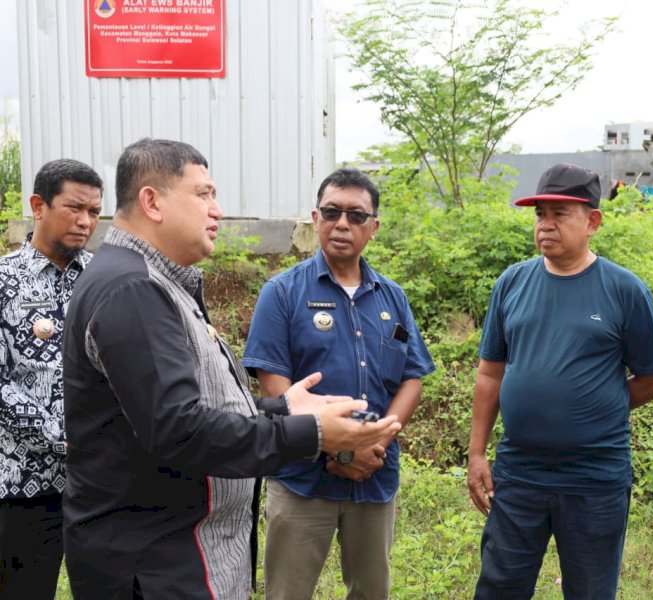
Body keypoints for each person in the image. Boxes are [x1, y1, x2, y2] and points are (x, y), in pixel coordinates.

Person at [61, 140, 400, 600]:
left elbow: (188, 409)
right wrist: (311, 433)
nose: (217, 210)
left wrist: (280, 408)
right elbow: (180, 430)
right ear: (152, 201)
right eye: (203, 194)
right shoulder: (133, 289)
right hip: (153, 564)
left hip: (174, 553)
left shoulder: (156, 281)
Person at [467, 162, 653, 599]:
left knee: (591, 591)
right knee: (499, 585)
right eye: (541, 214)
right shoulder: (512, 283)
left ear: (592, 221)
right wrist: (477, 452)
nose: (546, 225)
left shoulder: (624, 290)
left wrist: (601, 404)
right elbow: (490, 373)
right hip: (518, 473)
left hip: (594, 476)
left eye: (560, 213)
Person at [242, 167, 435, 599]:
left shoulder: (392, 298)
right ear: (316, 218)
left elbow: (412, 378)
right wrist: (343, 447)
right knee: (287, 593)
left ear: (374, 227)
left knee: (371, 592)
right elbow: (277, 390)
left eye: (356, 215)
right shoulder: (283, 293)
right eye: (331, 212)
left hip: (375, 477)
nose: (342, 224)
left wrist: (375, 444)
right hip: (302, 479)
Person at [0, 158, 102, 599]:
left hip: (101, 483)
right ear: (38, 205)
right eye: (74, 208)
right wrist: (61, 438)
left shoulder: (105, 280)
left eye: (95, 212)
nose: (85, 222)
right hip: (25, 482)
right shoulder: (4, 282)